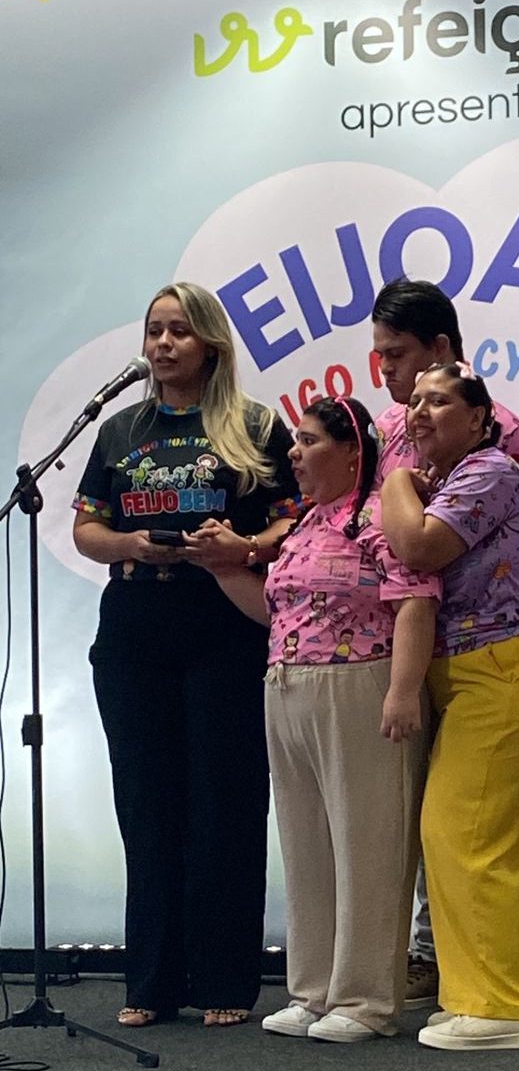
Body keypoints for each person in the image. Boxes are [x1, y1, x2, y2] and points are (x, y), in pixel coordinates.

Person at [72, 282, 301, 1028]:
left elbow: (294, 523)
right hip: (136, 625)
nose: (164, 344)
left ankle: (226, 980)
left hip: (223, 624)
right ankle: (151, 983)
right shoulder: (120, 429)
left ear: (211, 344)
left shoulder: (255, 427)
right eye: (154, 331)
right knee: (146, 804)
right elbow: (86, 530)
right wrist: (131, 543)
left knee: (224, 802)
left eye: (179, 331)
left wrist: (242, 546)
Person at [205, 396, 440, 1042]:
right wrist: (221, 567)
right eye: (297, 441)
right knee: (307, 846)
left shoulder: (379, 517)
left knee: (369, 846)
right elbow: (278, 612)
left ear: (351, 451)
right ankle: (313, 991)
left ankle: (365, 1001)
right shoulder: (306, 523)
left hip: (361, 684)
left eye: (309, 441)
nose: (295, 453)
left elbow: (416, 600)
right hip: (287, 685)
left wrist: (402, 691)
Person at [370, 276, 519, 1007]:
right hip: (433, 649)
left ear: (442, 349)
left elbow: (430, 543)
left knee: (471, 828)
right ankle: (494, 979)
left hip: (495, 646)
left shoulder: (495, 439)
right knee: (464, 823)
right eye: (380, 356)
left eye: (399, 355)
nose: (388, 373)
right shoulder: (392, 429)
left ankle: (487, 989)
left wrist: (402, 491)